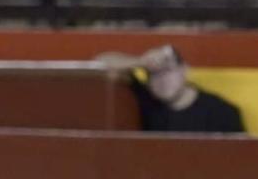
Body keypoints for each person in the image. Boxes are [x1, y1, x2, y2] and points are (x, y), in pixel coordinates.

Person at [97, 45, 245, 134]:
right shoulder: (147, 102)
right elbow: (101, 63)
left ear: (184, 70)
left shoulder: (221, 112)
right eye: (154, 74)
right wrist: (142, 61)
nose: (162, 79)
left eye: (168, 71)